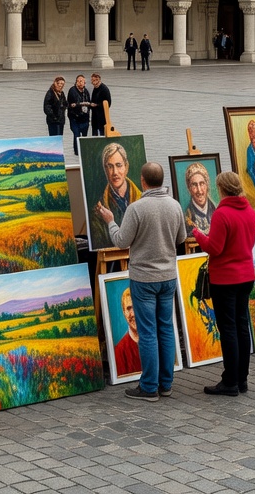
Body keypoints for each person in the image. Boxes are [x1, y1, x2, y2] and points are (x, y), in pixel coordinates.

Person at [97, 162, 184, 401]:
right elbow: (181, 238)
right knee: (166, 328)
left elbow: (121, 241)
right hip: (168, 277)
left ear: (143, 181)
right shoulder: (174, 205)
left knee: (147, 332)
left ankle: (148, 387)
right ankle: (166, 384)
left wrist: (110, 221)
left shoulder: (137, 208)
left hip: (144, 279)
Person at [191, 171, 255, 395]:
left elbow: (215, 248)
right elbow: (249, 242)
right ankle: (242, 379)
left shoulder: (222, 213)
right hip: (246, 276)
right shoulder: (249, 210)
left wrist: (199, 235)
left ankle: (230, 381)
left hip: (226, 279)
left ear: (222, 189)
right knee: (241, 327)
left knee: (228, 329)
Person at [88, 141, 143, 248]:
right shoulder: (98, 211)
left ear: (126, 167)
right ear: (105, 170)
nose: (115, 172)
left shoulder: (143, 200)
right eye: (110, 167)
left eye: (119, 165)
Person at [112, 286, 142, 375]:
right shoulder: (119, 352)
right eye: (129, 308)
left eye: (136, 306)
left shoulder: (158, 339)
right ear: (124, 312)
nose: (133, 314)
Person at [182, 161, 215, 235]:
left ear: (207, 185)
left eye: (202, 183)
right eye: (194, 185)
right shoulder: (186, 217)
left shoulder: (216, 211)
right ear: (189, 188)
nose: (199, 191)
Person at [67, 74, 92, 155]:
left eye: (83, 81)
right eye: (79, 81)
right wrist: (80, 104)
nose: (81, 83)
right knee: (76, 134)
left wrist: (89, 104)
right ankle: (77, 151)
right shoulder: (72, 90)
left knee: (84, 135)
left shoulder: (86, 91)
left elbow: (89, 101)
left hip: (84, 117)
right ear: (76, 82)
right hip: (75, 117)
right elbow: (71, 104)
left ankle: (83, 150)